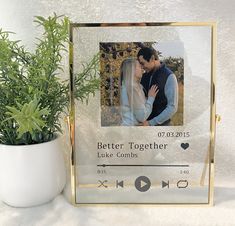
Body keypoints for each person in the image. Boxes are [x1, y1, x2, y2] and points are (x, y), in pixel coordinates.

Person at [137, 47, 178, 126]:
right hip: (144, 125)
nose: (142, 67)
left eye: (142, 63)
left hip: (163, 126)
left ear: (152, 58)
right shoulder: (144, 76)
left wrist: (151, 123)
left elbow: (172, 107)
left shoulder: (169, 76)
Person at [120, 58, 158, 126]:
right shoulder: (131, 89)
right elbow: (142, 117)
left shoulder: (127, 86)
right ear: (132, 70)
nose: (142, 69)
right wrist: (151, 98)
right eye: (139, 67)